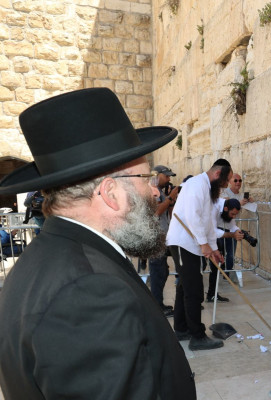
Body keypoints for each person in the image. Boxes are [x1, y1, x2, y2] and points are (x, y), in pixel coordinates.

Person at [0, 88, 195, 399]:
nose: (155, 192)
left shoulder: (46, 257)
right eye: (145, 179)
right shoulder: (90, 293)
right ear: (110, 193)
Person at [166, 158, 232, 351]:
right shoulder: (196, 184)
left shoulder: (209, 190)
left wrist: (214, 249)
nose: (226, 185)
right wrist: (205, 245)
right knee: (194, 291)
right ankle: (197, 336)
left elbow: (209, 223)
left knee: (184, 289)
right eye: (226, 181)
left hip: (193, 245)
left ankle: (181, 329)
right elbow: (192, 216)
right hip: (183, 243)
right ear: (217, 174)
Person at [148, 164, 180, 317]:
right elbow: (156, 212)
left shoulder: (159, 191)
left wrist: (169, 200)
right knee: (157, 272)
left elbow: (166, 212)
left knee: (162, 271)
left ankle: (158, 304)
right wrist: (170, 197)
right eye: (166, 176)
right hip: (155, 237)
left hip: (161, 237)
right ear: (156, 175)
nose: (168, 179)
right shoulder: (152, 191)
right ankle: (157, 306)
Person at [206, 198, 245, 302]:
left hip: (211, 238)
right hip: (200, 238)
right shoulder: (214, 207)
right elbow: (212, 230)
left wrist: (237, 231)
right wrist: (232, 235)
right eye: (232, 214)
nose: (233, 217)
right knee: (198, 267)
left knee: (215, 267)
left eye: (235, 215)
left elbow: (231, 226)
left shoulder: (227, 209)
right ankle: (194, 299)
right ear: (226, 208)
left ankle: (212, 294)